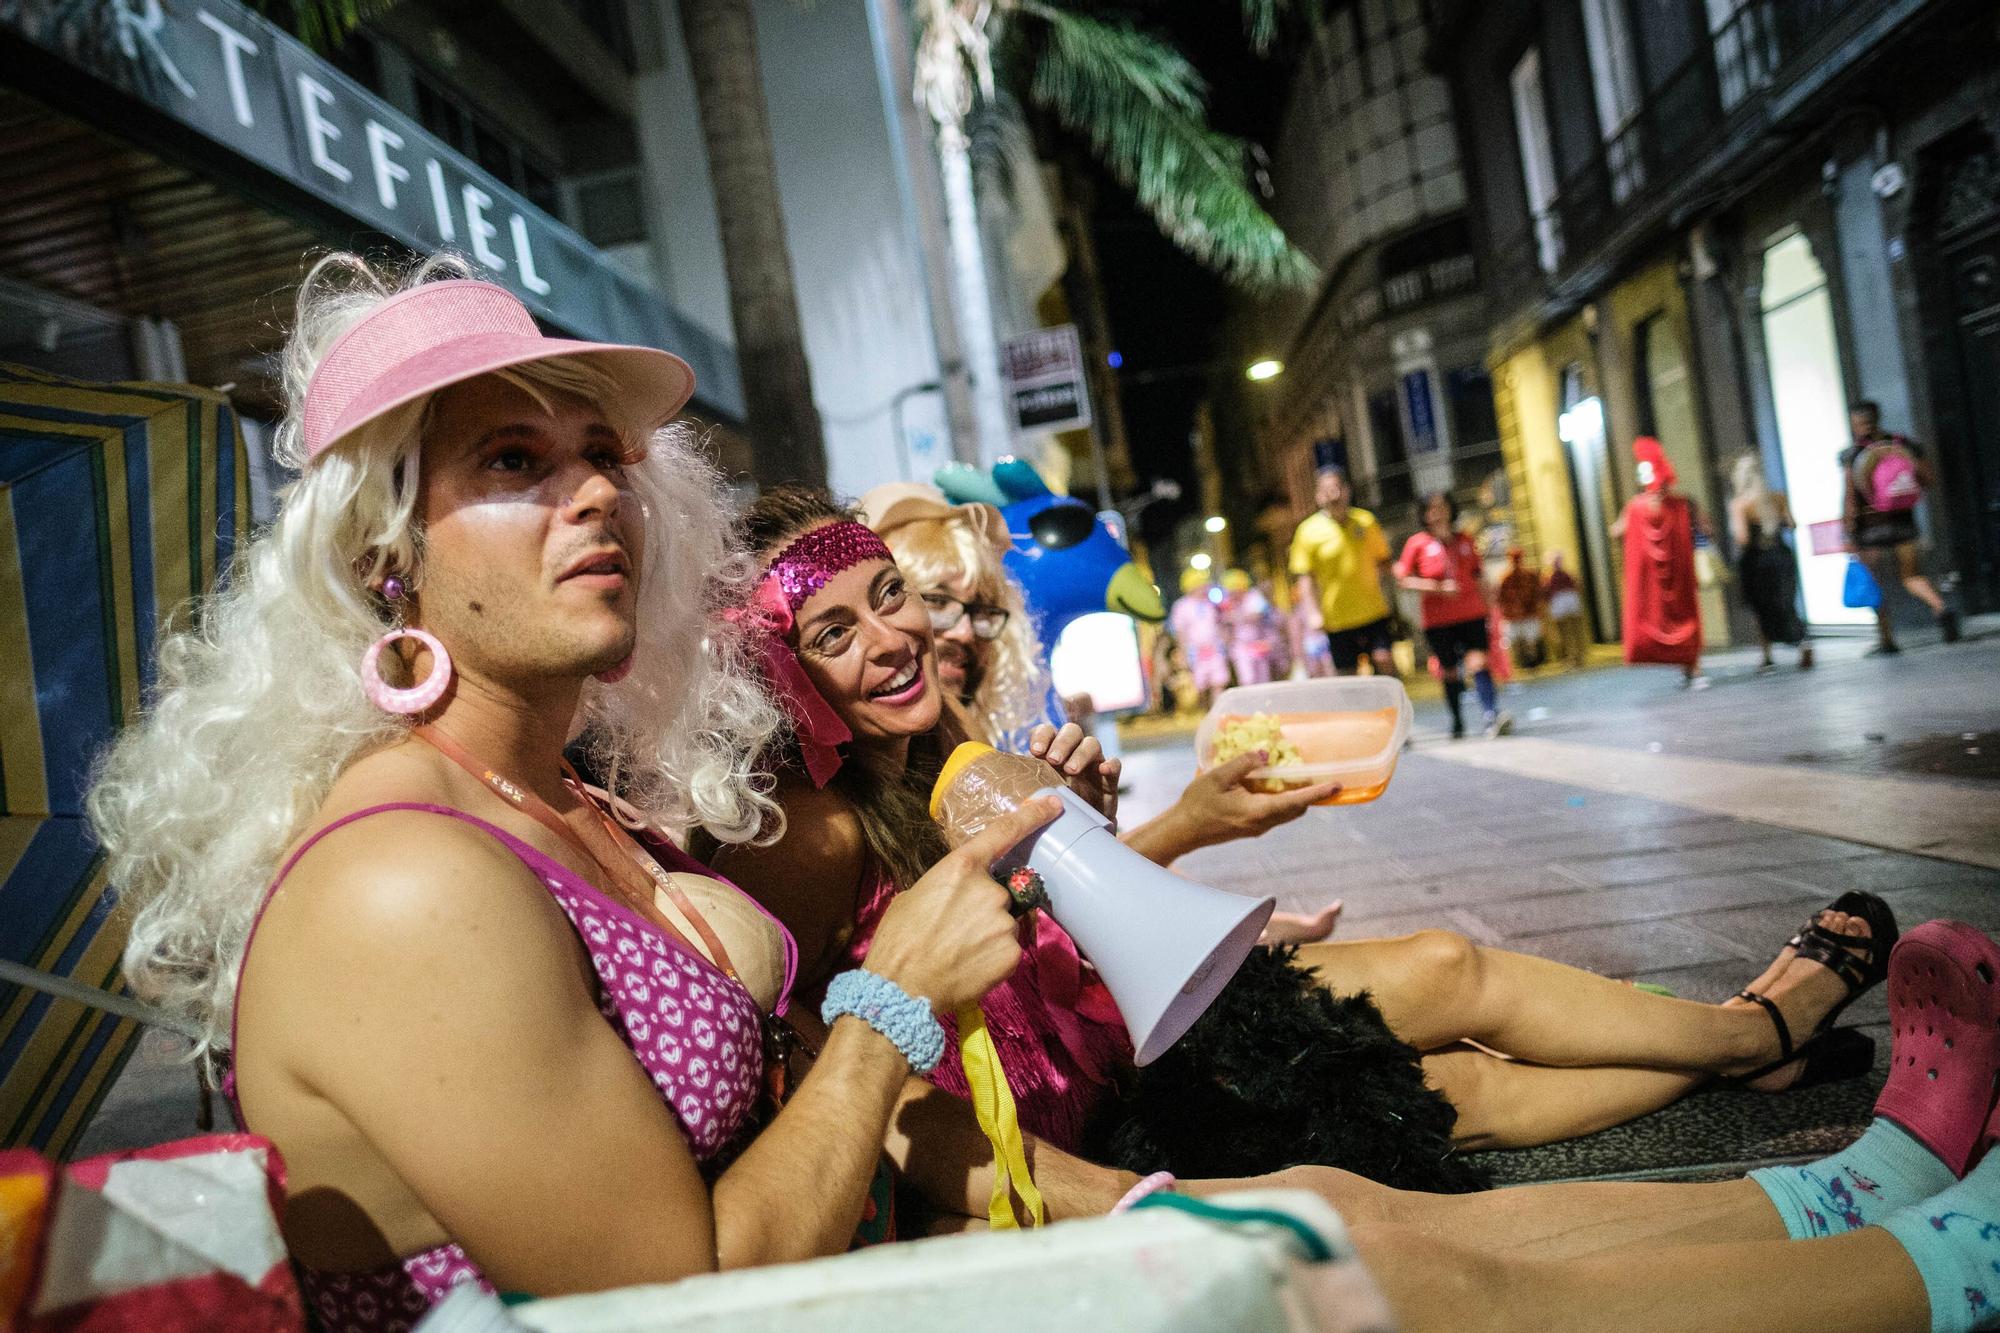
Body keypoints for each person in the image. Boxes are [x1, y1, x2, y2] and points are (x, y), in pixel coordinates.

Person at [84, 257, 1065, 1326]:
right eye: (514, 460)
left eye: (604, 455)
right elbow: (677, 1301)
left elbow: (808, 1114)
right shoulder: (401, 881)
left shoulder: (564, 799)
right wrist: (893, 997)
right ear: (383, 550)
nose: (599, 492)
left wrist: (1152, 1202)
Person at [718, 488, 1896, 1173]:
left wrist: (1115, 824)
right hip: (1087, 1116)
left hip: (1118, 1017)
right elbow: (817, 1056)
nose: (894, 636)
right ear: (780, 670)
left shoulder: (942, 736)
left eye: (890, 598)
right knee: (1450, 1093)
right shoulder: (808, 829)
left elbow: (1074, 918)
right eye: (830, 632)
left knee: (1446, 962)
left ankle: (1742, 1043)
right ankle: (1756, 1042)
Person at [1843, 400, 1961, 653]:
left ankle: (1887, 639)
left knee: (1876, 583)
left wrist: (1849, 529)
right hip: (1903, 521)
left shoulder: (1854, 454)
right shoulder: (1902, 445)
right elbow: (1927, 479)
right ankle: (1941, 608)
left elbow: (1851, 497)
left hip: (1870, 528)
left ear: (1856, 423)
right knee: (1911, 576)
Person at [1395, 492, 1510, 738]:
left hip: (1471, 612)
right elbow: (1403, 579)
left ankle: (1491, 715)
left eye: (1442, 507)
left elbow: (1479, 575)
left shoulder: (1465, 540)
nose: (1438, 513)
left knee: (1478, 661)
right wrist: (1436, 587)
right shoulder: (1417, 544)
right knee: (1449, 670)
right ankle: (1457, 719)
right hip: (1438, 619)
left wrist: (1491, 603)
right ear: (1424, 514)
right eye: (1432, 509)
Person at [1611, 437, 1707, 688]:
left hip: (1652, 580)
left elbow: (1617, 532)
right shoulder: (1682, 505)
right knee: (1684, 614)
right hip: (1680, 577)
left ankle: (1690, 668)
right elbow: (1707, 528)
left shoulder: (1636, 507)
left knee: (1664, 616)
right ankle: (1692, 667)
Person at [1290, 468, 1400, 678]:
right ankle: (1357, 711)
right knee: (1347, 675)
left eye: (1337, 488)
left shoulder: (1365, 521)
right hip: (1337, 618)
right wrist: (1313, 613)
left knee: (1384, 661)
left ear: (1347, 490)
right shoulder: (1307, 531)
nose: (1333, 495)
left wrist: (1403, 580)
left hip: (1373, 611)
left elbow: (1384, 561)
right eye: (1327, 490)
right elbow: (1305, 578)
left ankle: (1390, 708)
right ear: (1318, 495)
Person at [1728, 453, 1814, 672]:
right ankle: (1803, 643)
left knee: (1761, 607)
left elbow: (1743, 539)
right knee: (1786, 603)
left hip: (1756, 561)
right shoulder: (1777, 498)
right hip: (1781, 555)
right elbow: (1792, 524)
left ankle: (1767, 655)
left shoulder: (1740, 505)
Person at [1167, 569, 1231, 705]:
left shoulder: (1211, 604)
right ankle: (1204, 712)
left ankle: (1216, 712)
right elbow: (1179, 632)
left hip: (1215, 648)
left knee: (1218, 681)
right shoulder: (1181, 606)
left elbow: (1220, 624)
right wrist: (1182, 653)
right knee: (1199, 685)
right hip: (1195, 651)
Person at [1495, 548, 1546, 670]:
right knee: (1520, 639)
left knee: (1529, 639)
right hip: (1515, 614)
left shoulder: (1527, 575)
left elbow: (1537, 593)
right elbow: (1500, 596)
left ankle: (1530, 662)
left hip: (1527, 613)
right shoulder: (1506, 577)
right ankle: (1525, 662)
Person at [1543, 551, 1588, 669]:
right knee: (1570, 632)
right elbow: (1579, 587)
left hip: (1563, 605)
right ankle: (1574, 657)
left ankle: (1575, 657)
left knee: (1569, 632)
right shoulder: (1566, 575)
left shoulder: (1552, 577)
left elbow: (1546, 594)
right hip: (1566, 604)